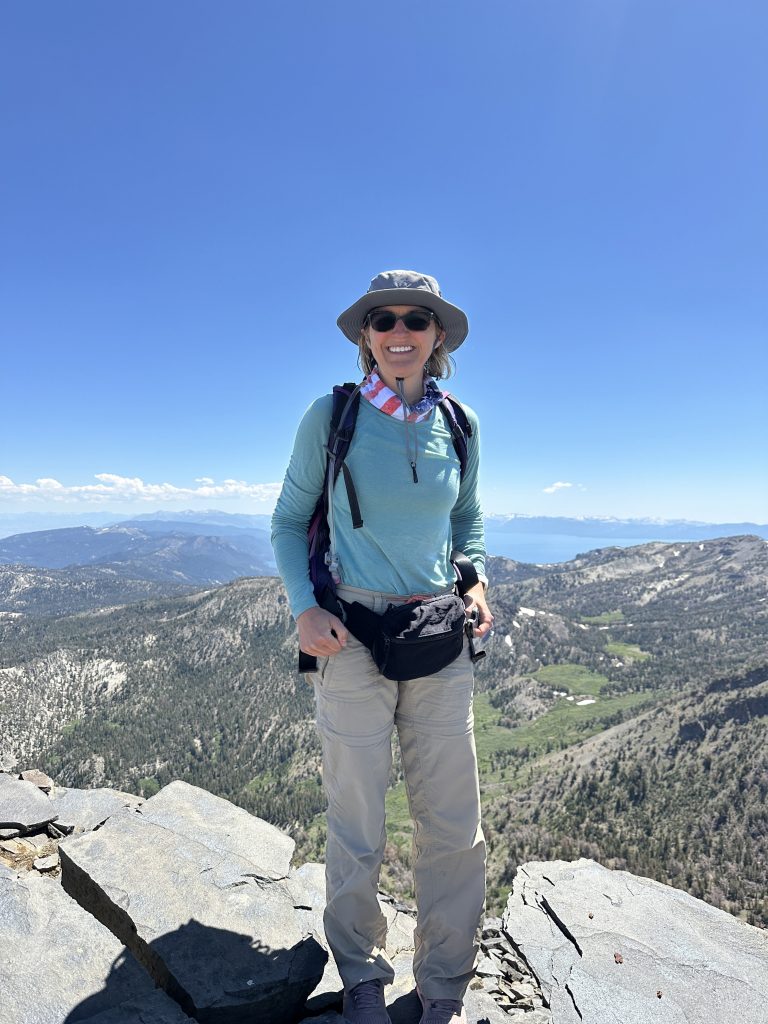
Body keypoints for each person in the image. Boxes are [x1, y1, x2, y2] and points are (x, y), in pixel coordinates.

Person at [271, 270, 493, 1024]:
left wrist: (475, 582)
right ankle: (362, 976)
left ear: (437, 338)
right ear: (367, 336)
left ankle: (443, 988)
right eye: (384, 319)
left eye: (417, 320)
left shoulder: (458, 423)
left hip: (438, 636)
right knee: (357, 819)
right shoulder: (331, 416)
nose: (400, 331)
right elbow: (286, 519)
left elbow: (466, 521)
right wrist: (303, 609)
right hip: (351, 636)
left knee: (453, 827)